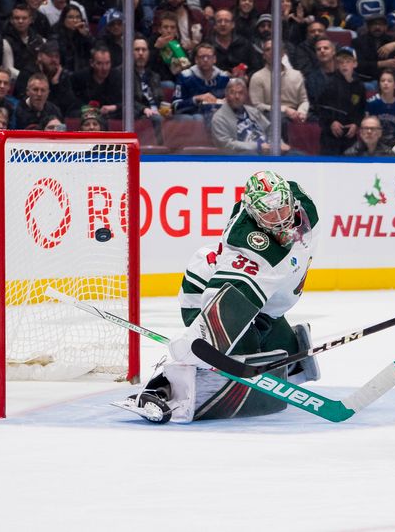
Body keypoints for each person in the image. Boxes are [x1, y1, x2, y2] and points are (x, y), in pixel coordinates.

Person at [127, 170, 321, 422]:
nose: (279, 219)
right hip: (205, 299)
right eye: (268, 214)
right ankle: (164, 387)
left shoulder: (303, 205)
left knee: (281, 352)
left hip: (262, 307)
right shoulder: (248, 246)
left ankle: (285, 359)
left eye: (282, 210)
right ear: (253, 214)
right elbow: (223, 307)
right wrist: (194, 343)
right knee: (228, 359)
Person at [212, 78, 290, 154]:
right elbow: (226, 145)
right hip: (245, 157)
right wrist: (258, 146)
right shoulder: (219, 118)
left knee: (297, 154)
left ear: (246, 95)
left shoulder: (252, 111)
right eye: (232, 92)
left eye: (240, 93)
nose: (237, 96)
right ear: (226, 95)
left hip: (268, 151)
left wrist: (279, 143)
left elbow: (269, 129)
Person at [318, 46, 365, 155]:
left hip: (350, 135)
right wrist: (331, 122)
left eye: (348, 61)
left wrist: (356, 124)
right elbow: (320, 108)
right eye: (341, 62)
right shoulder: (329, 84)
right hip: (330, 136)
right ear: (337, 65)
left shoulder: (359, 86)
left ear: (355, 64)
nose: (344, 64)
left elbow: (361, 109)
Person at [172, 42, 229, 120]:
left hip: (218, 115)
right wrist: (196, 99)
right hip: (193, 115)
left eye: (209, 57)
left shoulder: (223, 77)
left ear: (214, 59)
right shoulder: (185, 76)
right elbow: (175, 106)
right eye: (202, 57)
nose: (205, 60)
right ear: (196, 60)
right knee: (199, 118)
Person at [365, 68, 395, 146]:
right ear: (379, 84)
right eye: (383, 81)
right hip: (376, 145)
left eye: (389, 81)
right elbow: (366, 127)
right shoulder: (372, 103)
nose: (385, 83)